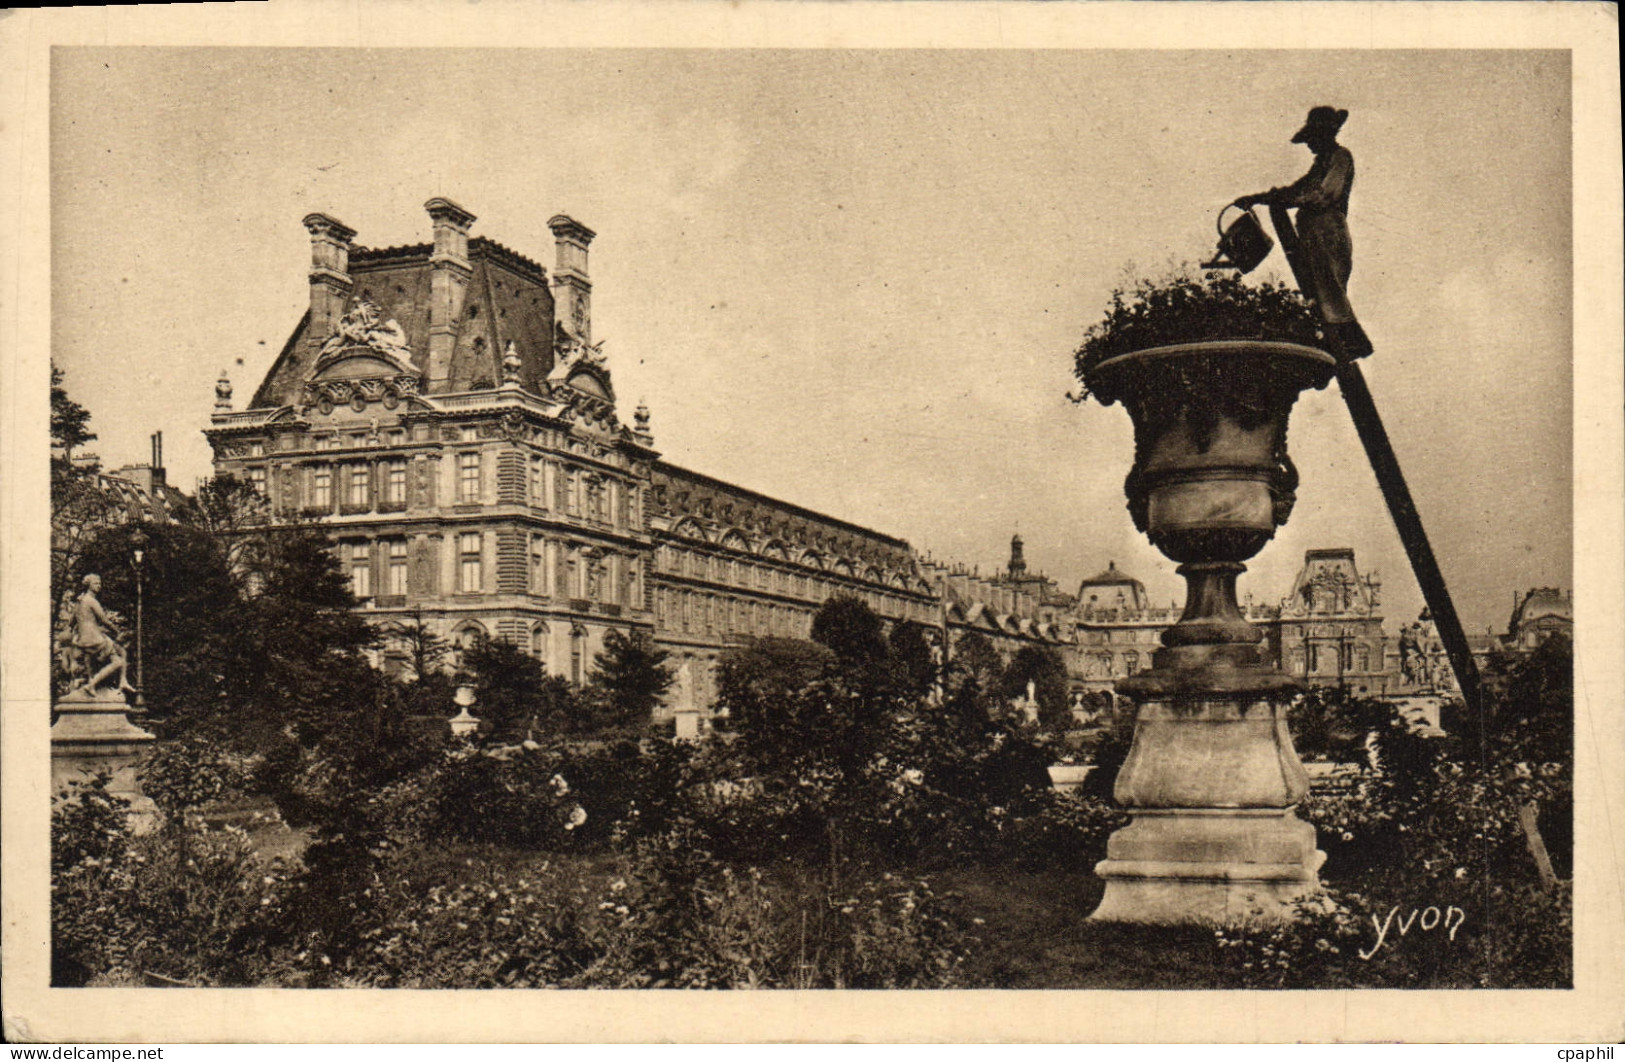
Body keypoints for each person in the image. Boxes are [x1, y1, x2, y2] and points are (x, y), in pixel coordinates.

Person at [1235, 106, 1373, 359]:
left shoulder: (1340, 157)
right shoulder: (1318, 165)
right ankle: (1338, 338)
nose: (1309, 145)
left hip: (1328, 228)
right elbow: (1295, 190)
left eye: (1312, 139)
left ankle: (1351, 340)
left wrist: (1286, 199)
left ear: (1324, 135)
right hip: (1311, 230)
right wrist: (1259, 198)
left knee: (1328, 285)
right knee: (1318, 285)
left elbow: (1323, 195)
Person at [70, 574, 136, 696]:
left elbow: (71, 622)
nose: (99, 586)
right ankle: (93, 684)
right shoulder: (91, 601)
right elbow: (104, 620)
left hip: (82, 641)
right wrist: (117, 631)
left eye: (99, 583)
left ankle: (110, 681)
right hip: (95, 639)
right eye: (96, 583)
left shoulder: (79, 602)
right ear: (88, 585)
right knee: (118, 660)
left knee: (92, 660)